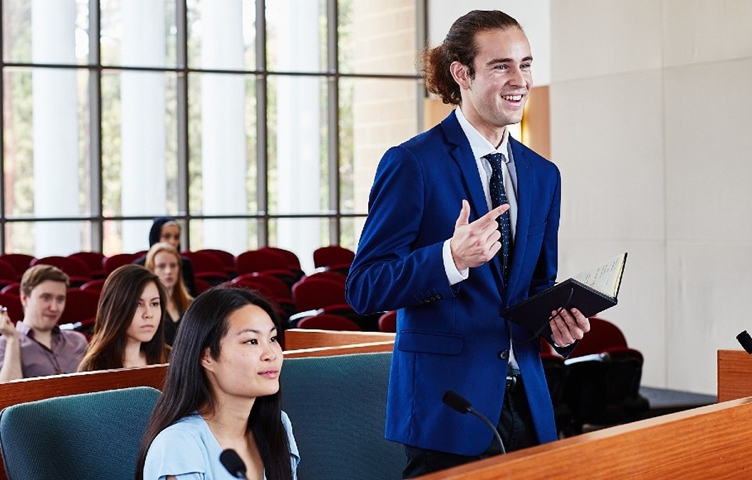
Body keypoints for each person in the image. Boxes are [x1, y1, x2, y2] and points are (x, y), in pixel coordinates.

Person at [345, 10, 590, 477]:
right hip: (447, 409)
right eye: (501, 65)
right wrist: (449, 258)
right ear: (462, 74)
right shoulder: (412, 164)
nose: (519, 79)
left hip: (530, 406)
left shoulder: (543, 174)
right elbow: (364, 287)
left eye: (526, 64)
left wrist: (558, 323)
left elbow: (537, 286)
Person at [137, 287, 299, 480]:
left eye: (272, 339)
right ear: (207, 357)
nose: (271, 354)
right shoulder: (178, 445)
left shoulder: (277, 424)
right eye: (251, 341)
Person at [0, 264, 88, 382]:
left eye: (60, 299)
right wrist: (13, 340)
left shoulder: (78, 341)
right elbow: (9, 396)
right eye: (46, 297)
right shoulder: (2, 346)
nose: (54, 307)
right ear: (24, 298)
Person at [78, 264, 169, 371]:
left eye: (154, 304)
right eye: (137, 304)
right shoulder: (94, 368)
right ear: (116, 308)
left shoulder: (171, 357)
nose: (148, 314)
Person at [144, 242, 194, 345]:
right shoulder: (146, 309)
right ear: (151, 269)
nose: (168, 271)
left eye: (173, 265)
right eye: (161, 266)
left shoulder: (192, 305)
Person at [134, 216, 198, 296]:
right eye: (167, 236)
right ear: (156, 238)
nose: (172, 241)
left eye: (176, 237)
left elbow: (192, 296)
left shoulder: (185, 264)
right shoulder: (139, 266)